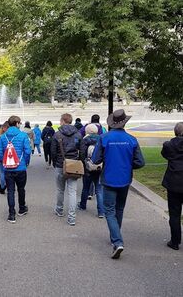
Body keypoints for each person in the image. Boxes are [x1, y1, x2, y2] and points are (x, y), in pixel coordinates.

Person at [92, 109, 145, 259]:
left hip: (109, 178)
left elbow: (96, 159)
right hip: (125, 179)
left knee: (109, 210)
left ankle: (117, 240)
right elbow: (140, 162)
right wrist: (128, 166)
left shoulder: (104, 138)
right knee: (119, 209)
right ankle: (116, 237)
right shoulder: (132, 139)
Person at [0, 116, 32, 223]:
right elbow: (27, 151)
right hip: (20, 168)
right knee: (21, 189)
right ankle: (22, 208)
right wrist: (25, 162)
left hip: (8, 169)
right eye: (19, 123)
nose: (20, 124)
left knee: (10, 191)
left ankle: (11, 214)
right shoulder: (23, 135)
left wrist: (5, 161)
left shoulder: (3, 137)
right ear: (16, 123)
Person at [51, 113, 84, 226]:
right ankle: (71, 217)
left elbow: (53, 152)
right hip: (74, 165)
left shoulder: (57, 135)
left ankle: (59, 209)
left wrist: (56, 163)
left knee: (60, 190)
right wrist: (79, 161)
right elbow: (82, 151)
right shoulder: (78, 134)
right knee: (72, 192)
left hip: (61, 164)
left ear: (62, 121)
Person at [161, 122, 183, 251]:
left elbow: (165, 155)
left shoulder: (169, 145)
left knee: (174, 214)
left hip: (174, 182)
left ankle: (175, 241)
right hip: (175, 181)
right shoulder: (168, 145)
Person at [78, 123, 104, 218]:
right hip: (99, 167)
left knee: (85, 188)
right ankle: (101, 211)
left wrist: (85, 164)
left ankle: (83, 205)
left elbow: (82, 154)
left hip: (88, 168)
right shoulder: (101, 138)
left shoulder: (84, 140)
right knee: (99, 190)